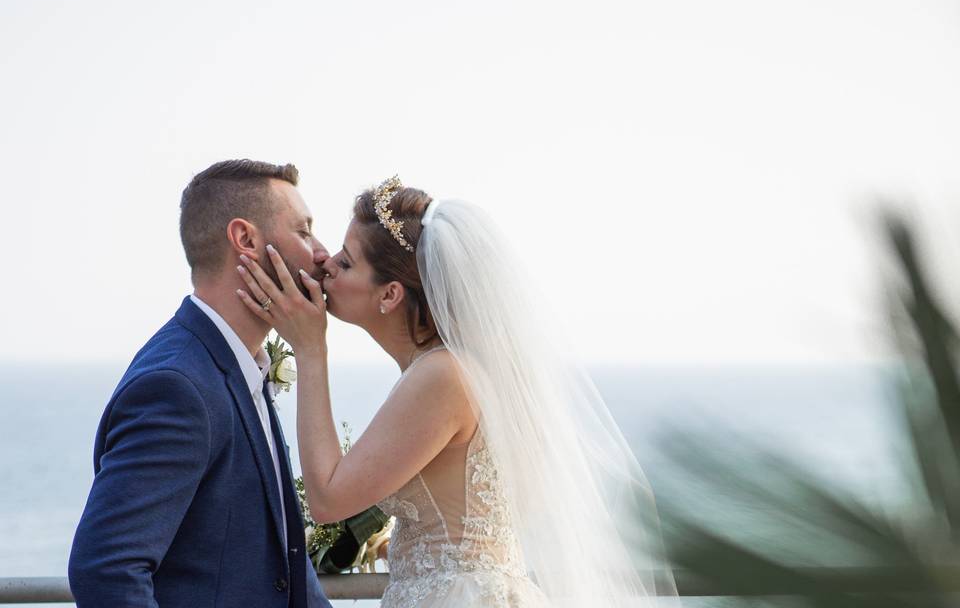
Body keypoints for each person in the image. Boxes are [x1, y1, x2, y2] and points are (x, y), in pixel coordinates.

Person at [237, 175, 678, 607]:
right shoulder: (446, 369)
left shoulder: (443, 375)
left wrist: (311, 351)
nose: (326, 263)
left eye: (347, 261)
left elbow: (329, 500)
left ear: (389, 294)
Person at [68, 159, 333, 608]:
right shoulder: (179, 387)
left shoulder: (235, 364)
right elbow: (107, 570)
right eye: (304, 231)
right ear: (246, 239)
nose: (322, 252)